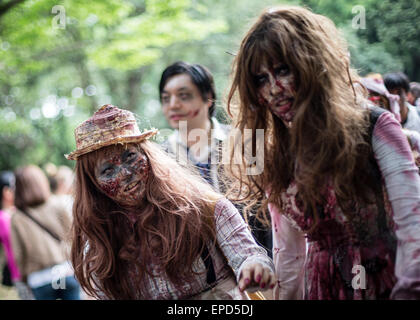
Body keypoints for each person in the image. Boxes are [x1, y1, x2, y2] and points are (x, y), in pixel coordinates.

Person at [225, 5, 420, 300]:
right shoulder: (275, 153)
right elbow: (289, 254)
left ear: (312, 65)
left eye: (282, 70)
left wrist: (408, 291)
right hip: (323, 287)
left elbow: (413, 225)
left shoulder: (374, 126)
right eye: (260, 79)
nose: (273, 89)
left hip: (387, 281)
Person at [65, 104, 275, 300]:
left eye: (130, 156)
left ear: (148, 156)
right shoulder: (99, 245)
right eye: (108, 170)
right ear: (93, 185)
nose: (126, 173)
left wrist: (255, 268)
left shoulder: (205, 208)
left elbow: (249, 255)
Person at [159, 61, 273, 259]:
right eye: (165, 98)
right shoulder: (160, 158)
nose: (173, 105)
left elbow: (267, 211)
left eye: (184, 96)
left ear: (208, 97)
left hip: (257, 262)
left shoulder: (248, 142)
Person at [10, 165, 81, 300]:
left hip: (39, 279)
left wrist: (24, 278)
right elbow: (74, 236)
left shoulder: (17, 218)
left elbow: (18, 254)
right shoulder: (57, 204)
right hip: (65, 271)